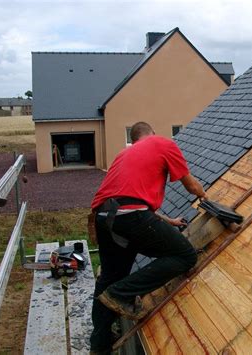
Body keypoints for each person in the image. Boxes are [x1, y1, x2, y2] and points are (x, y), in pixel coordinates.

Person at [89, 121, 206, 354]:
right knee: (184, 255)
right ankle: (120, 293)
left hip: (103, 218)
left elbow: (126, 198)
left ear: (134, 140)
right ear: (153, 134)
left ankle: (99, 345)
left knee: (109, 278)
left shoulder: (125, 154)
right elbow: (190, 184)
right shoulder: (163, 143)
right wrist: (205, 196)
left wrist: (167, 221)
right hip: (129, 216)